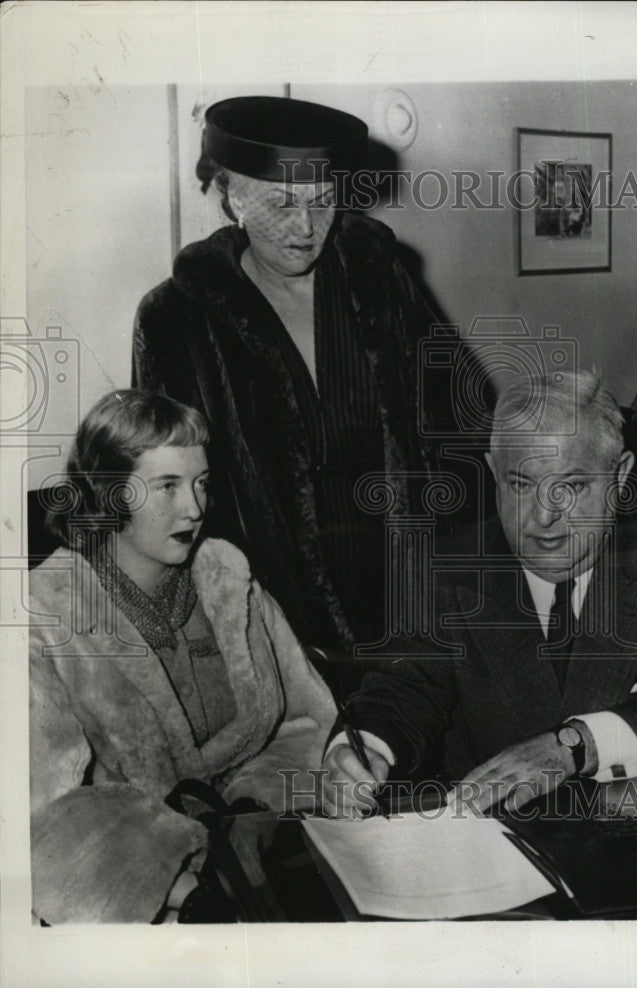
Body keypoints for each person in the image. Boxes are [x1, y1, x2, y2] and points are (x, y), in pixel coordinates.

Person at [320, 369, 637, 816]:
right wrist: (359, 750)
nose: (542, 517)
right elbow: (403, 687)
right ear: (494, 473)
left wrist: (573, 746)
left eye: (571, 486)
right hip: (488, 844)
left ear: (619, 478)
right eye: (520, 484)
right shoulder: (443, 566)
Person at [133, 96, 454, 667]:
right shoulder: (176, 318)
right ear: (231, 196)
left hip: (409, 596)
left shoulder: (379, 280)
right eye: (282, 204)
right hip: (270, 618)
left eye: (322, 201)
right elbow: (162, 489)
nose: (306, 227)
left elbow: (455, 422)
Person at [29, 389, 335, 923]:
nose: (194, 508)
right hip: (138, 895)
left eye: (201, 483)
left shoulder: (227, 580)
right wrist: (183, 887)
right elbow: (39, 815)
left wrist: (251, 814)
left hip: (264, 854)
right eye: (167, 486)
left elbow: (306, 723)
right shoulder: (45, 613)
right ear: (110, 494)